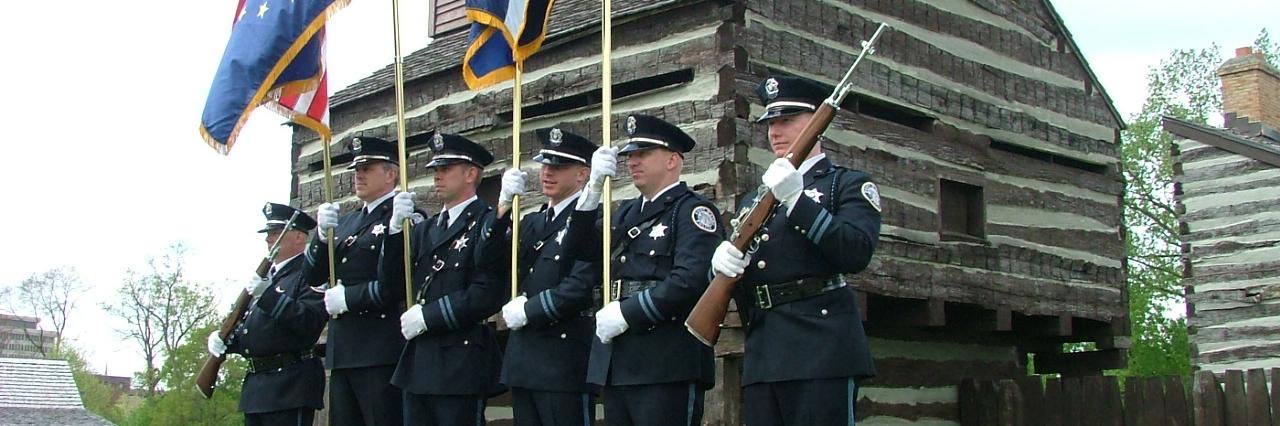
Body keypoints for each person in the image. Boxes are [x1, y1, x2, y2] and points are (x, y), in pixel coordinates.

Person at [711, 75, 882, 425]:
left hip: (822, 346)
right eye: (771, 122)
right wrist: (720, 265)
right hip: (765, 350)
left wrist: (797, 200)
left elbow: (856, 252)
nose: (775, 132)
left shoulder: (846, 184)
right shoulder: (754, 198)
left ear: (819, 123)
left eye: (787, 120)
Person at [566, 114, 722, 426]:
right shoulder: (625, 213)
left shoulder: (692, 211)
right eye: (631, 156)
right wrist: (592, 190)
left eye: (644, 154)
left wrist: (627, 313)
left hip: (666, 360)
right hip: (620, 361)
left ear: (672, 161)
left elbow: (689, 280)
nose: (633, 162)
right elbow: (579, 250)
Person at [381, 132, 507, 425]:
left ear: (470, 173)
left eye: (446, 169)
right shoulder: (426, 229)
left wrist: (429, 316)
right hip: (418, 361)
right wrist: (395, 233)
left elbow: (486, 293)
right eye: (435, 170)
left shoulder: (487, 223)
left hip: (459, 362)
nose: (437, 176)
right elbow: (393, 284)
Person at [496, 127, 601, 425]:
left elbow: (579, 285)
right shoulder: (532, 222)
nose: (547, 173)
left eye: (558, 167)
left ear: (582, 175)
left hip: (563, 361)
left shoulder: (592, 221)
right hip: (523, 361)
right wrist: (503, 207)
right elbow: (490, 262)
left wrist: (529, 311)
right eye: (545, 165)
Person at [305, 136, 405, 425]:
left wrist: (350, 298)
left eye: (368, 167)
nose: (359, 174)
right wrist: (322, 238)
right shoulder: (347, 222)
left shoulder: (399, 216)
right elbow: (313, 276)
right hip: (344, 350)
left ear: (390, 173)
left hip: (380, 347)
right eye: (357, 168)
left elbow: (395, 284)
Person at [207, 202, 327, 426]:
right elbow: (256, 330)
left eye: (276, 233)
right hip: (257, 389)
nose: (269, 239)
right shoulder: (267, 277)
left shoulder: (309, 274)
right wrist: (226, 341)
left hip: (289, 386)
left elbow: (309, 322)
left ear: (300, 237)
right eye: (269, 233)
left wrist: (268, 296)